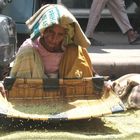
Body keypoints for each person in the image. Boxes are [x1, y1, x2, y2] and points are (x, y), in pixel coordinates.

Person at [10, 4, 97, 79]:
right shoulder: (30, 46)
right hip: (36, 90)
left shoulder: (67, 47)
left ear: (65, 35)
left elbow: (92, 72)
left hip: (62, 91)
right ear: (43, 31)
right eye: (51, 32)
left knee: (76, 50)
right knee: (27, 51)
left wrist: (102, 82)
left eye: (60, 35)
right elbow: (14, 76)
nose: (54, 39)